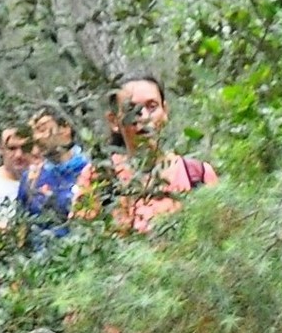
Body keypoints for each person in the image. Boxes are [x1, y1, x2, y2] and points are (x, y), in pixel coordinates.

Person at [74, 74, 218, 235]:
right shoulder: (98, 176)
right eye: (131, 109)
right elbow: (84, 237)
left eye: (152, 107)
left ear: (165, 111)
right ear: (114, 121)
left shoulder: (197, 174)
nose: (143, 116)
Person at [22, 109, 88, 242]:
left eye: (42, 129)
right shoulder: (31, 178)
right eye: (33, 132)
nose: (36, 138)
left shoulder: (89, 169)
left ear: (64, 129)